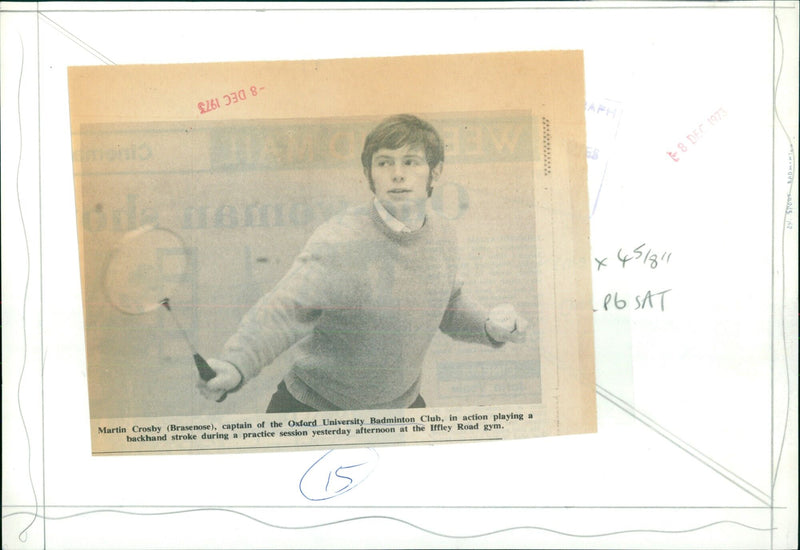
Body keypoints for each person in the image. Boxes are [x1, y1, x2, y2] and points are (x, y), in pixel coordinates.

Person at [199, 114, 529, 412]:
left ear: (435, 171)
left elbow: (448, 304)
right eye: (384, 163)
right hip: (317, 408)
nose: (397, 175)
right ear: (369, 174)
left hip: (400, 407)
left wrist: (488, 326)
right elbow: (285, 309)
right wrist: (236, 364)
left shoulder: (443, 232)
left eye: (411, 162)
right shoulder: (341, 240)